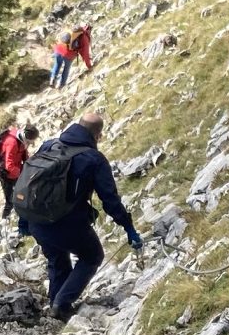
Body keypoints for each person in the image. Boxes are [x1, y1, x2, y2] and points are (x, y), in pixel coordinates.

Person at [12, 114, 142, 322]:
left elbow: (29, 183)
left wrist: (24, 219)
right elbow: (110, 200)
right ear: (97, 135)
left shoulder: (49, 145)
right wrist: (129, 228)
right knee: (92, 256)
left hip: (36, 220)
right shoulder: (94, 159)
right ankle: (61, 304)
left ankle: (55, 308)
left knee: (57, 258)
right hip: (66, 224)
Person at [0, 116, 33, 218]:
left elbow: (24, 154)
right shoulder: (12, 143)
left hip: (15, 170)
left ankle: (21, 211)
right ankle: (5, 219)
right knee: (10, 200)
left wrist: (28, 166)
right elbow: (9, 165)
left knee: (21, 193)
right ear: (26, 138)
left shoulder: (20, 139)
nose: (31, 144)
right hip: (5, 173)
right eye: (30, 141)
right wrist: (21, 173)